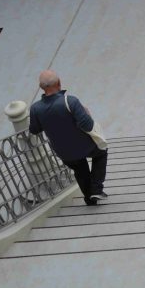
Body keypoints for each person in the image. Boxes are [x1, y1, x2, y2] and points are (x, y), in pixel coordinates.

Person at [28, 70, 108, 206]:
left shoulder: (35, 108)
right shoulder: (70, 101)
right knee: (101, 152)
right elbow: (87, 126)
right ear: (59, 83)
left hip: (63, 152)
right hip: (85, 146)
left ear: (41, 88)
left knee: (80, 169)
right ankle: (96, 189)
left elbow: (34, 130)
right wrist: (86, 113)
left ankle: (90, 199)